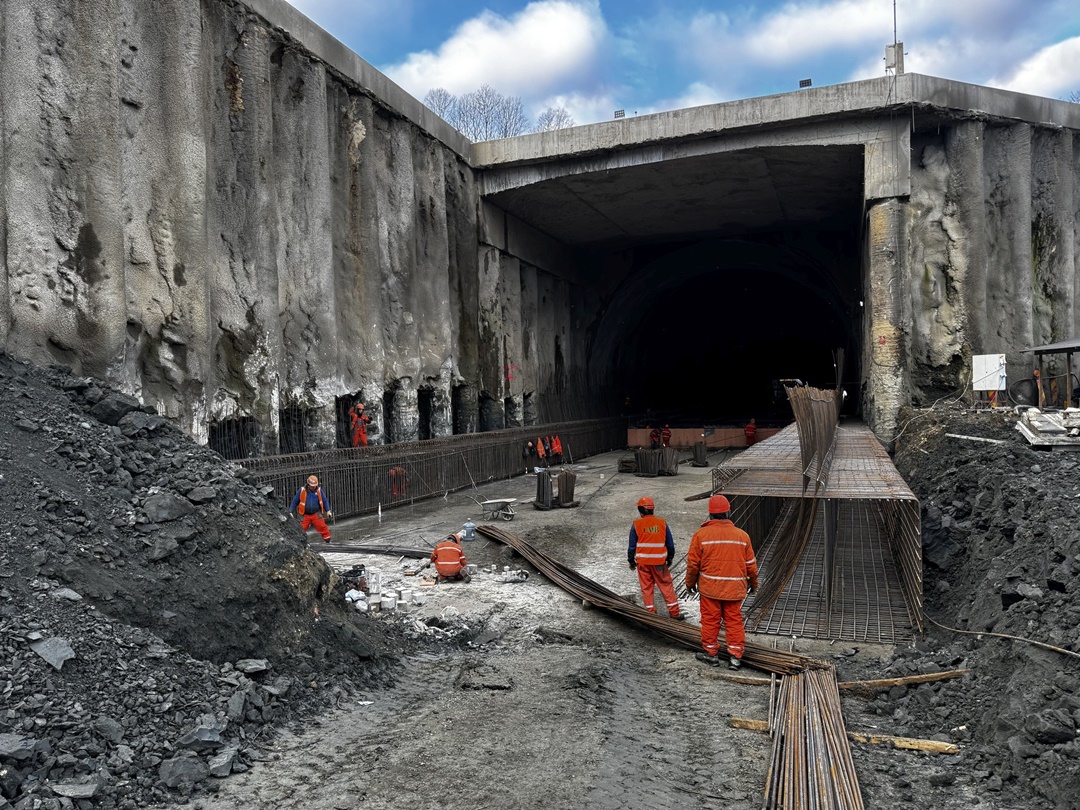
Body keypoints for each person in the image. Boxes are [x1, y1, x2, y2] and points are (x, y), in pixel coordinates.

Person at [685, 494, 758, 669]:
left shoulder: (701, 535)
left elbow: (693, 564)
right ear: (728, 513)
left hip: (710, 589)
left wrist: (690, 583)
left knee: (710, 622)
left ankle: (711, 655)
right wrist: (754, 584)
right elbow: (751, 565)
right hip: (734, 589)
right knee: (734, 622)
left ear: (710, 515)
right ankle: (735, 658)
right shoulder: (742, 536)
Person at [628, 496, 685, 620]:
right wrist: (670, 557)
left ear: (640, 511)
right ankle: (675, 614)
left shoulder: (636, 525)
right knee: (666, 586)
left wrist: (631, 561)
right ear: (652, 510)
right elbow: (670, 544)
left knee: (646, 588)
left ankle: (651, 614)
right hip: (659, 563)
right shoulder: (662, 523)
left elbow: (632, 546)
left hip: (643, 563)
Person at [290, 475, 333, 542]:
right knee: (301, 528)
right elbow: (295, 501)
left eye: (314, 486)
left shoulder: (319, 491)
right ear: (308, 484)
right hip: (304, 514)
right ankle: (298, 541)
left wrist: (328, 510)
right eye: (312, 486)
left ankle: (328, 540)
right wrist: (290, 511)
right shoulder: (302, 490)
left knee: (322, 526)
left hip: (315, 513)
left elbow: (324, 501)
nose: (313, 487)